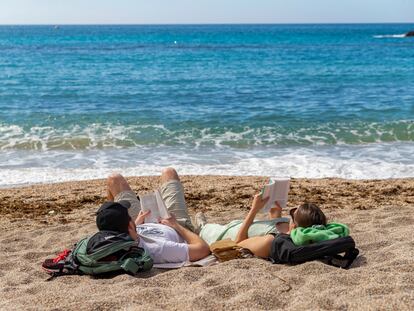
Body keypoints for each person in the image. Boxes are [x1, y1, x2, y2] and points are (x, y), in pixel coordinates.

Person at [106, 167, 210, 264]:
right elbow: (203, 249)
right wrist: (175, 225)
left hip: (138, 226)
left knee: (114, 179)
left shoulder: (114, 238)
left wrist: (135, 224)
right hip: (176, 226)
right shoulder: (160, 248)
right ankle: (200, 226)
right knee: (170, 172)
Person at [233, 195, 348, 258]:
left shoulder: (270, 241)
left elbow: (237, 244)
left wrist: (253, 210)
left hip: (228, 231)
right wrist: (276, 213)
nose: (290, 213)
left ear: (293, 225)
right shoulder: (290, 234)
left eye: (293, 213)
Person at [196, 201, 290, 245]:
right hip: (236, 225)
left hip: (225, 235)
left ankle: (201, 226)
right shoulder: (289, 224)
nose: (292, 214)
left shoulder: (275, 238)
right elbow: (272, 227)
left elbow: (239, 242)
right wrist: (276, 214)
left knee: (206, 229)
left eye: (295, 213)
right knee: (218, 226)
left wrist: (254, 210)